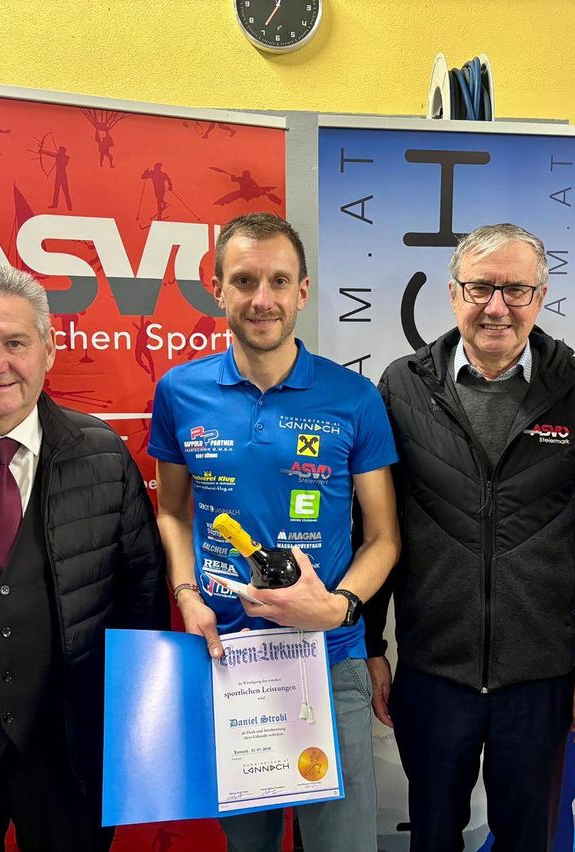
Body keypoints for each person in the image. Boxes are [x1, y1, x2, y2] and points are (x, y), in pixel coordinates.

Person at [365, 223, 575, 851]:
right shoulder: (402, 386)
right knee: (432, 836)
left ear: (540, 298)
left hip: (539, 679)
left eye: (516, 289)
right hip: (433, 672)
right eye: (481, 287)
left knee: (528, 839)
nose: (497, 307)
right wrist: (372, 645)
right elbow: (373, 529)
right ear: (453, 293)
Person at [149, 213, 399, 852]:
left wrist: (338, 607)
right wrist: (186, 597)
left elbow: (384, 538)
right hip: (227, 659)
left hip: (329, 659)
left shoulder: (354, 397)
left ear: (303, 291)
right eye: (245, 280)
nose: (263, 299)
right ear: (217, 288)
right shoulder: (180, 392)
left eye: (279, 281)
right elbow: (173, 513)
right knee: (248, 846)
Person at [0, 264, 169, 851]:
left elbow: (142, 600)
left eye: (15, 342)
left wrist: (131, 736)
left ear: (48, 350)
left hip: (70, 757)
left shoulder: (102, 455)